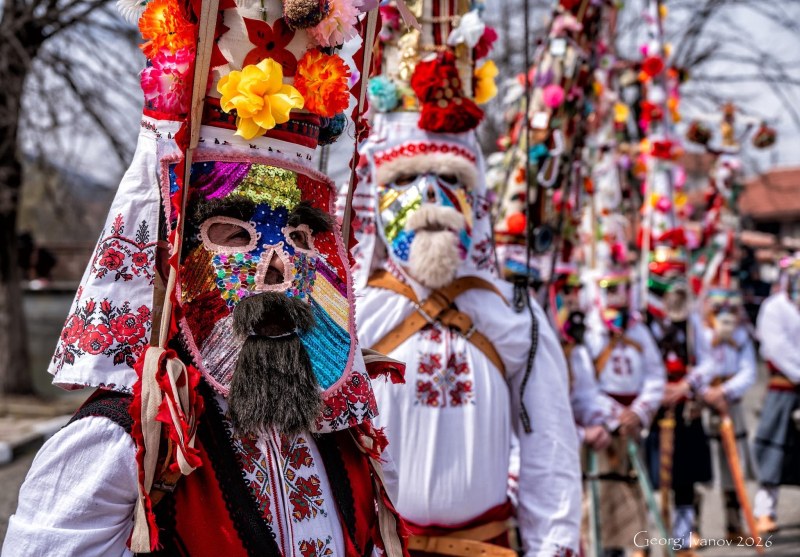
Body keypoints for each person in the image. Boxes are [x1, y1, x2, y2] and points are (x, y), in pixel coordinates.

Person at [3, 2, 407, 556]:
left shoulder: (346, 444)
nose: (278, 268)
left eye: (300, 239)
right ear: (172, 255)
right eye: (235, 236)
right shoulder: (123, 444)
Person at [350, 3, 583, 555]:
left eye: (450, 177)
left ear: (477, 199)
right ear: (373, 196)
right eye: (405, 177)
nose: (429, 197)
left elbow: (549, 451)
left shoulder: (515, 317)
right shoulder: (349, 314)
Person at [584, 270, 666, 557]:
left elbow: (656, 376)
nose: (617, 296)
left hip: (633, 423)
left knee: (637, 488)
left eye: (622, 288)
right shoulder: (590, 331)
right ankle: (606, 548)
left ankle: (638, 546)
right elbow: (583, 382)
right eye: (610, 289)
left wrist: (639, 412)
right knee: (604, 490)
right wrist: (614, 414)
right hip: (603, 425)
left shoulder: (639, 330)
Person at [645, 283, 712, 556]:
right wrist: (656, 391)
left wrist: (686, 385)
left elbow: (708, 362)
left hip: (684, 409)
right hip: (653, 409)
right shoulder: (642, 322)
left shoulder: (692, 323)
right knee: (650, 479)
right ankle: (645, 541)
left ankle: (682, 540)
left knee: (685, 479)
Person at [685, 288, 756, 541]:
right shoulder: (697, 334)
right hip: (703, 404)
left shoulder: (741, 335)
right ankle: (693, 528)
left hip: (730, 404)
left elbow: (749, 371)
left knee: (733, 463)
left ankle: (734, 525)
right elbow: (694, 365)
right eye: (717, 308)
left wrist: (725, 392)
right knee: (699, 464)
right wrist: (706, 393)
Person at [753, 256, 800, 534]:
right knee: (772, 446)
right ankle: (764, 510)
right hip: (784, 385)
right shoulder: (774, 308)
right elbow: (777, 348)